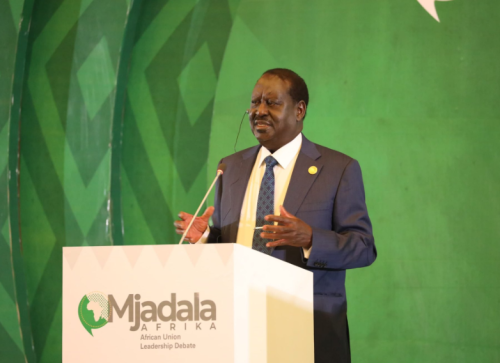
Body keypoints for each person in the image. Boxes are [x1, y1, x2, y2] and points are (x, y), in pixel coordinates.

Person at [174, 68, 377, 363]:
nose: (259, 111)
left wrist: (310, 238)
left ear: (300, 110)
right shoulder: (229, 167)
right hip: (238, 323)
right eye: (255, 103)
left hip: (307, 326)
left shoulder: (337, 169)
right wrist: (206, 237)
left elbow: (363, 247)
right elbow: (231, 248)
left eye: (272, 103)